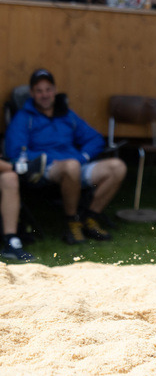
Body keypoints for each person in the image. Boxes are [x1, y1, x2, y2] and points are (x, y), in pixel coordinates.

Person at [4, 68, 126, 245]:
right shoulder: (23, 117)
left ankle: (90, 218)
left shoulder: (67, 114)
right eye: (39, 91)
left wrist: (83, 157)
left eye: (48, 90)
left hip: (75, 163)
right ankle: (72, 222)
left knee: (117, 167)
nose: (44, 95)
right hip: (47, 169)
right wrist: (44, 158)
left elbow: (95, 138)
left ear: (54, 91)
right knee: (71, 166)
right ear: (32, 94)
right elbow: (15, 151)